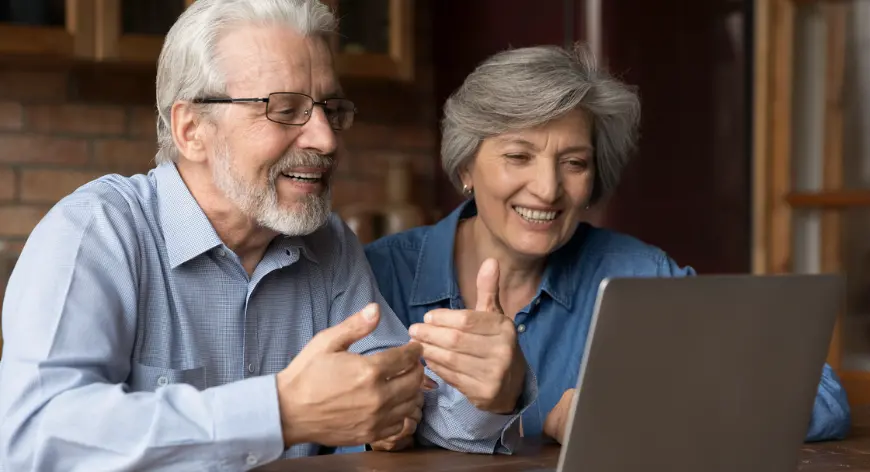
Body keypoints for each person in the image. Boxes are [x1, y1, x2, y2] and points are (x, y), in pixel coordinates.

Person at [0, 1, 536, 470]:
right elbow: (32, 439)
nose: (325, 139)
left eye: (331, 109)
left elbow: (406, 407)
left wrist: (490, 391)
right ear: (191, 129)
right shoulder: (97, 232)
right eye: (284, 110)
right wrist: (281, 411)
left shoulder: (328, 243)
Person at [364, 44, 852, 445]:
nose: (548, 189)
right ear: (466, 166)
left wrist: (628, 413)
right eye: (518, 156)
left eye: (574, 163)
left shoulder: (638, 274)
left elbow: (821, 397)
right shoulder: (379, 275)